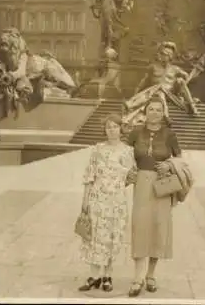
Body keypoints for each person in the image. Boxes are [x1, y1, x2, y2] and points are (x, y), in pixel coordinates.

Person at [125, 95, 182, 297]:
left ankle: (150, 275)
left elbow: (180, 159)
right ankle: (137, 277)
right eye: (151, 109)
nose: (155, 113)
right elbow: (125, 157)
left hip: (162, 185)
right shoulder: (135, 132)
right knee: (140, 226)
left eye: (159, 109)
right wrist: (129, 171)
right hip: (141, 183)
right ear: (145, 112)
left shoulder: (169, 134)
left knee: (159, 226)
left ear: (163, 113)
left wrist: (169, 164)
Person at [78, 114, 136, 293]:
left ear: (121, 129)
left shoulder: (127, 151)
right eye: (108, 127)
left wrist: (116, 186)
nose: (111, 130)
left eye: (115, 126)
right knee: (95, 237)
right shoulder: (97, 149)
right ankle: (94, 276)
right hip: (97, 199)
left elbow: (131, 175)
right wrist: (85, 201)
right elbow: (89, 176)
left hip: (116, 201)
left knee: (112, 237)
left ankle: (107, 276)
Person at [124, 41, 200, 124]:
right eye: (161, 53)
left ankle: (192, 106)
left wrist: (194, 72)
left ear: (170, 56)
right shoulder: (152, 67)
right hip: (156, 94)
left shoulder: (175, 69)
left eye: (164, 54)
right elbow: (142, 83)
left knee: (180, 81)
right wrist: (134, 97)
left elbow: (188, 78)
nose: (161, 55)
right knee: (160, 91)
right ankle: (166, 116)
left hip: (171, 96)